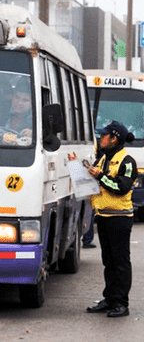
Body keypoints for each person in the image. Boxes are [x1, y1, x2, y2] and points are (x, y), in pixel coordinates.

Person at [85, 120, 137, 318]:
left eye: (104, 135)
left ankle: (121, 303)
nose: (100, 138)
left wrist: (100, 177)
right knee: (108, 261)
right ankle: (109, 299)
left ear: (114, 138)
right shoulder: (104, 158)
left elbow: (121, 187)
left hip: (119, 218)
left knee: (120, 262)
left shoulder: (127, 161)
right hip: (104, 215)